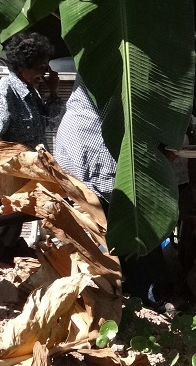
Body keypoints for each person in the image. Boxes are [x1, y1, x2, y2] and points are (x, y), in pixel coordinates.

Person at [53, 74, 183, 309]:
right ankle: (153, 295)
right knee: (132, 223)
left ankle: (132, 289)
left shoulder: (103, 60)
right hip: (93, 146)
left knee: (111, 224)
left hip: (74, 141)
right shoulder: (126, 72)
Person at [0, 32, 61, 260]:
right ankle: (1, 251)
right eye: (39, 67)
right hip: (13, 169)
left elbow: (52, 120)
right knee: (14, 212)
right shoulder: (6, 91)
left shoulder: (30, 91)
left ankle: (9, 245)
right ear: (22, 66)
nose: (43, 73)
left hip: (31, 169)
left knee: (24, 212)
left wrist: (53, 92)